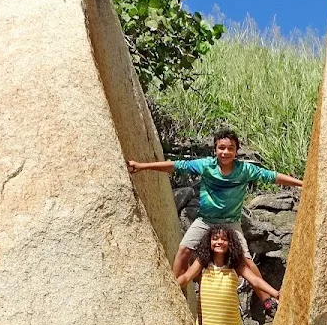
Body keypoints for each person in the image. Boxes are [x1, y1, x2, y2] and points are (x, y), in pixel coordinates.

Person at [127, 129, 302, 312]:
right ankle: (175, 290)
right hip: (206, 220)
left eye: (230, 149)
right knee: (184, 250)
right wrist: (141, 166)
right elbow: (175, 166)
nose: (225, 152)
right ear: (215, 150)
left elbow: (273, 177)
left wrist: (301, 184)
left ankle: (267, 300)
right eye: (221, 148)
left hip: (230, 222)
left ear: (236, 151)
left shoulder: (245, 170)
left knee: (246, 261)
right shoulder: (206, 166)